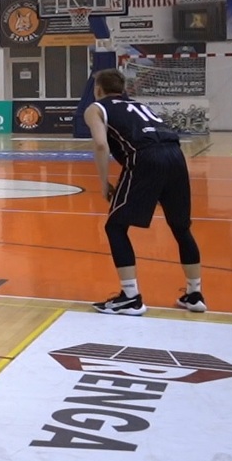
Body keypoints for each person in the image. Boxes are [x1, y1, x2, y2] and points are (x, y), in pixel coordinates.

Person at [83, 68, 206, 315]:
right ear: (123, 89)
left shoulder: (96, 108)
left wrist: (104, 182)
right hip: (175, 156)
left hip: (145, 158)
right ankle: (194, 295)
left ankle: (130, 298)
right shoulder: (139, 105)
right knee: (181, 227)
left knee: (115, 226)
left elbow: (100, 144)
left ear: (98, 89)